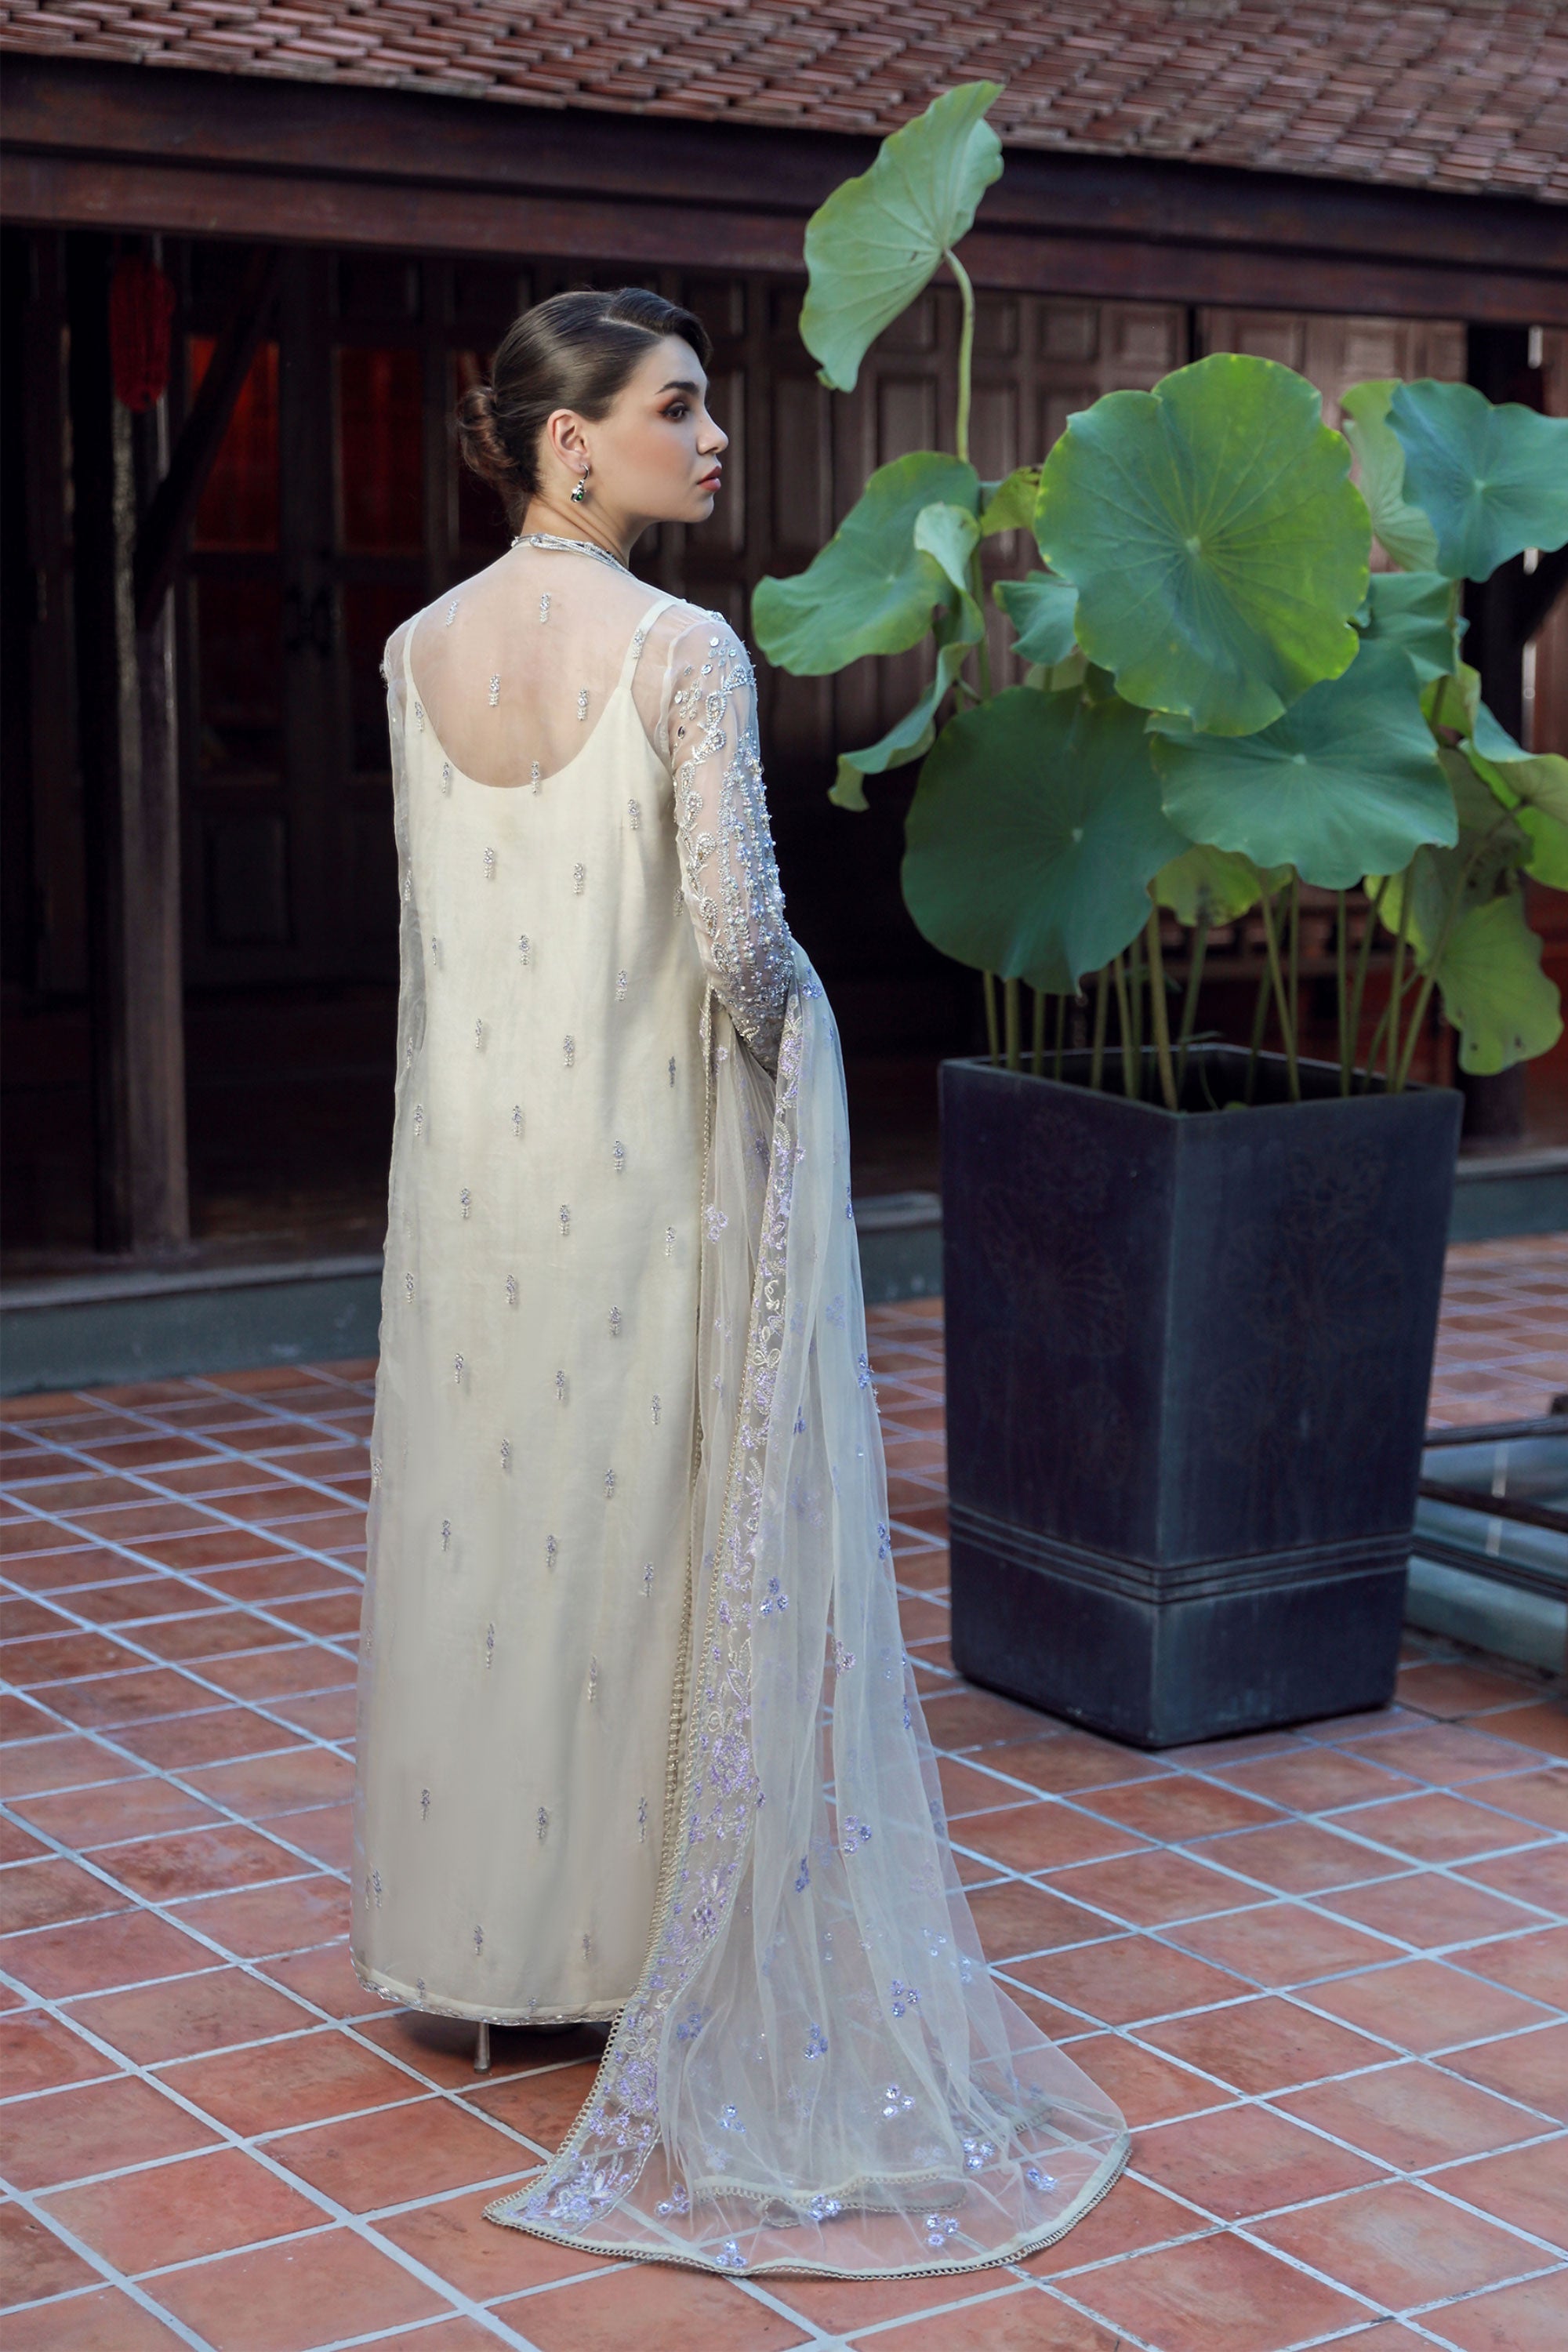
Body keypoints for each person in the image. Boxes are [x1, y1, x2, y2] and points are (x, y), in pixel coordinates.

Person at [350, 286, 1127, 2280]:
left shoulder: (412, 650)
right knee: (640, 1529)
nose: (712, 441)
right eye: (675, 408)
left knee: (489, 1526)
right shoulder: (679, 651)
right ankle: (639, 1947)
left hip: (468, 1177)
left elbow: (438, 945)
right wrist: (806, 1064)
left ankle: (479, 1949)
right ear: (566, 443)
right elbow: (740, 940)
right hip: (638, 1167)